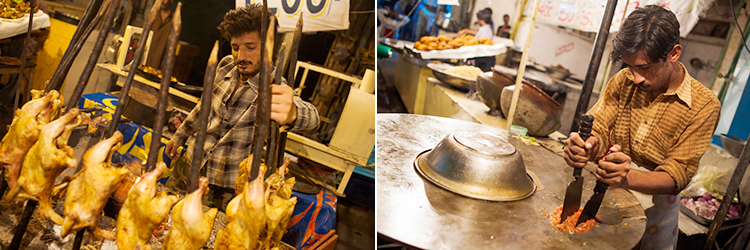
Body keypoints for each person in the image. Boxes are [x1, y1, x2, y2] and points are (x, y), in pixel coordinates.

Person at [563, 5, 720, 249]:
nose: (636, 77)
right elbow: (600, 124)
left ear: (674, 53)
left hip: (657, 202)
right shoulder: (622, 81)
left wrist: (628, 177)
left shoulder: (704, 105)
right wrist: (588, 145)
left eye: (645, 67)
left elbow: (678, 174)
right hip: (610, 189)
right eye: (630, 67)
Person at [164, 4, 320, 211]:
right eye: (236, 47)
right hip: (190, 164)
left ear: (269, 46)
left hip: (224, 188)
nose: (241, 56)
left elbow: (312, 118)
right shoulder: (226, 65)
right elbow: (204, 106)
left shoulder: (275, 87)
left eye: (250, 47)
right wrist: (180, 135)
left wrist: (293, 113)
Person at [144, 0, 174, 69]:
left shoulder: (173, 19)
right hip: (146, 57)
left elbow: (171, 45)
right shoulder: (152, 15)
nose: (162, 1)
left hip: (159, 61)